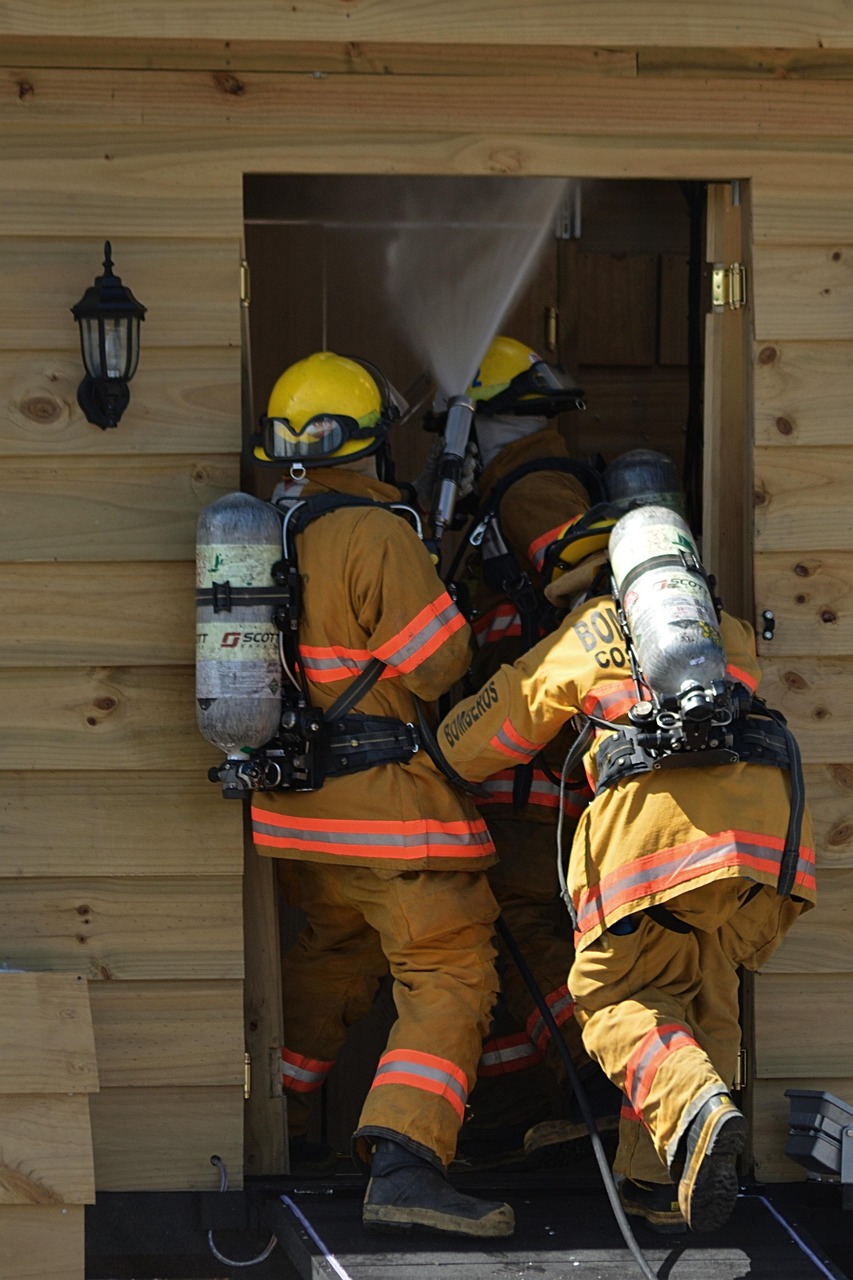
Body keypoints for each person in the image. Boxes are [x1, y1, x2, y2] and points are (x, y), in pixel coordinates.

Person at [433, 461, 816, 1234]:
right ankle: (655, 1182)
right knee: (698, 989)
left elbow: (478, 741)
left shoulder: (590, 631)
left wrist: (437, 738)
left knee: (608, 998)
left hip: (654, 845)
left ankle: (695, 1110)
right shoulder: (727, 633)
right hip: (769, 850)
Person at [249, 350, 513, 1238]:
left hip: (297, 818)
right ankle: (406, 1158)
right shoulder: (374, 536)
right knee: (447, 969)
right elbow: (439, 663)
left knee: (332, 960)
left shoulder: (262, 533)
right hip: (389, 820)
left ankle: (274, 1131)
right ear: (367, 441)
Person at [421, 335, 619, 1165]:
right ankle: (517, 1109)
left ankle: (597, 1080)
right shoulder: (515, 484)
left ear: (489, 417)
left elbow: (583, 597)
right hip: (511, 748)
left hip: (536, 749)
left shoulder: (535, 485)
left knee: (521, 916)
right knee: (499, 927)